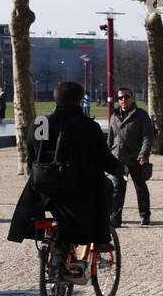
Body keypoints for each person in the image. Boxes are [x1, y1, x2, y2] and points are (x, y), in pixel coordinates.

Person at [8, 81, 124, 266]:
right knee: (106, 187)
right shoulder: (87, 126)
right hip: (76, 188)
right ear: (80, 101)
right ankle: (101, 237)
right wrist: (120, 169)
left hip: (43, 187)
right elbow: (103, 158)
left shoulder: (41, 123)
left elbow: (32, 156)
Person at [107, 87, 155, 227]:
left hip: (136, 158)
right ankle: (115, 218)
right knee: (117, 190)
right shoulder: (114, 116)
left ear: (132, 98)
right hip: (118, 159)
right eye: (120, 98)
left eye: (126, 97)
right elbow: (110, 139)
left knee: (140, 188)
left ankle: (144, 215)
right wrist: (107, 157)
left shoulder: (141, 115)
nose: (123, 100)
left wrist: (144, 154)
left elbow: (148, 137)